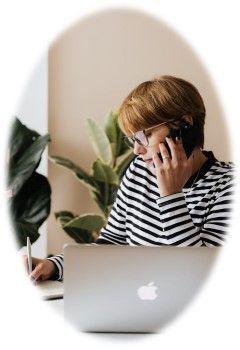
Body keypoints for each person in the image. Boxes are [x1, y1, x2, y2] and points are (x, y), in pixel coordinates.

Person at [25, 75, 234, 282]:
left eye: (145, 136)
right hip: (134, 304)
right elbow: (111, 244)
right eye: (133, 139)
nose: (136, 150)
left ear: (184, 125)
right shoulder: (139, 171)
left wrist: (171, 196)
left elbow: (203, 277)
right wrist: (54, 265)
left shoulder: (228, 185)